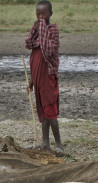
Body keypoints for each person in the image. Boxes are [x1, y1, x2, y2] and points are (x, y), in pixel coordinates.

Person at [25, 0, 63, 153]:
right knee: (42, 109)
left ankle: (59, 144)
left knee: (50, 109)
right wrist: (32, 80)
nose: (40, 17)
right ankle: (45, 143)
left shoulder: (52, 29)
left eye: (43, 14)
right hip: (38, 77)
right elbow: (29, 44)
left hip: (48, 77)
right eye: (37, 14)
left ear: (50, 14)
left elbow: (48, 51)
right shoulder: (35, 32)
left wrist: (41, 27)